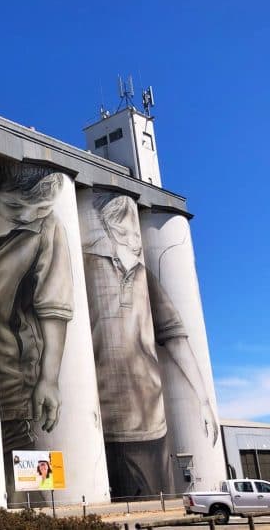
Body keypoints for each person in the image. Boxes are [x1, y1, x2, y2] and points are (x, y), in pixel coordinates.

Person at [82, 193, 218, 499]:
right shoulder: (86, 266)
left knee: (156, 500)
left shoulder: (145, 277)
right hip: (106, 420)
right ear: (107, 228)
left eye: (135, 230)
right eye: (124, 231)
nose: (135, 240)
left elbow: (176, 338)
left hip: (153, 425)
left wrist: (204, 400)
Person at [0, 163, 73, 502]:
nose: (27, 217)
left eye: (40, 210)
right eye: (15, 207)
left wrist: (49, 378)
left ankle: (36, 516)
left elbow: (54, 304)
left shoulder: (48, 228)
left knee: (23, 472)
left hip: (13, 377)